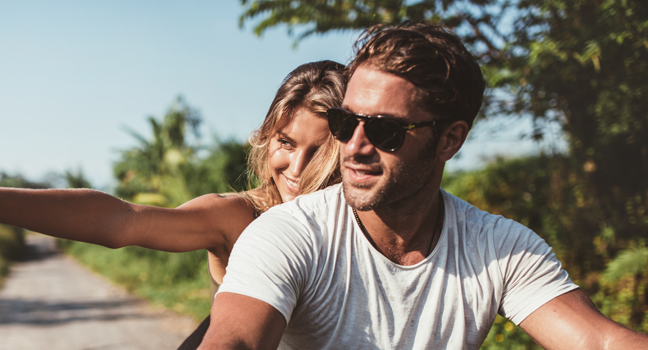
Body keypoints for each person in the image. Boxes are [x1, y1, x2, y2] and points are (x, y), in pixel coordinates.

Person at [0, 61, 348, 347]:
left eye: (319, 147)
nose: (297, 169)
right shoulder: (243, 218)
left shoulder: (376, 224)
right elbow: (119, 220)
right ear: (265, 141)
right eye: (285, 143)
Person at [199, 23, 648, 349]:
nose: (352, 148)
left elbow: (601, 341)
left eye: (385, 131)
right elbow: (234, 340)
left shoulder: (498, 248)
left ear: (449, 139)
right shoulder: (289, 234)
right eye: (344, 122)